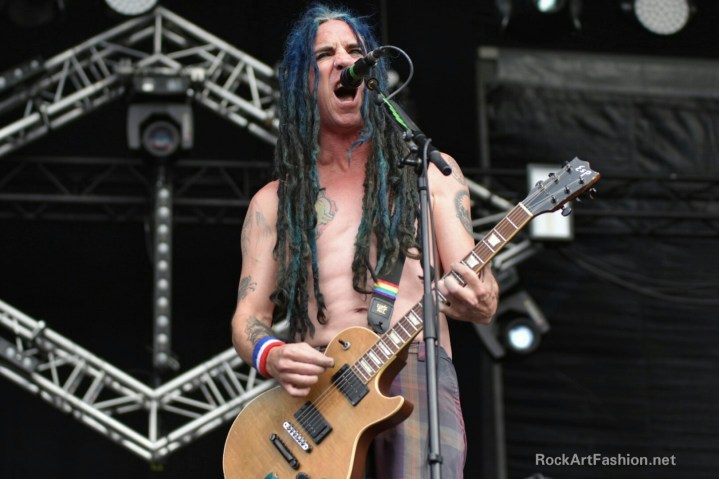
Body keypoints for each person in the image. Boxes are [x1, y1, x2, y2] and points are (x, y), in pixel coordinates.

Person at [231, 3, 498, 478]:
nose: (344, 61)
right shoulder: (274, 202)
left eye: (355, 52)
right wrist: (273, 355)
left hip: (413, 365)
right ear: (302, 82)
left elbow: (481, 294)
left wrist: (479, 298)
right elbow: (248, 317)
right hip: (318, 396)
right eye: (325, 54)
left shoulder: (431, 175)